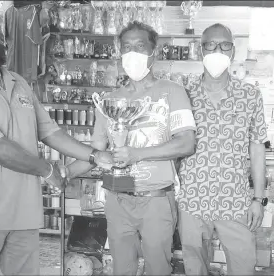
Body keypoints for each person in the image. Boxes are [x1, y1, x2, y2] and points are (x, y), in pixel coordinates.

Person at [0, 10, 112, 276]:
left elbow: (50, 132)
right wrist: (49, 171)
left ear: (6, 40)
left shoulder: (17, 82)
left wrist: (94, 156)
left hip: (23, 212)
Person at [65, 21, 196, 276]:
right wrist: (63, 173)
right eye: (127, 47)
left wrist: (137, 154)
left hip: (156, 198)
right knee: (121, 268)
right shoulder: (109, 101)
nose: (132, 52)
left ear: (153, 52)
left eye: (140, 46)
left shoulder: (173, 92)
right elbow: (96, 152)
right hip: (118, 197)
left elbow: (186, 143)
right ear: (120, 53)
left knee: (158, 268)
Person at [177, 23, 268, 276]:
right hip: (192, 200)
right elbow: (173, 145)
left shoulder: (250, 95)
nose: (218, 50)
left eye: (224, 45)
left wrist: (258, 199)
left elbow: (257, 146)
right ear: (199, 50)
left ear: (233, 51)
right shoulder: (182, 93)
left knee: (243, 267)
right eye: (210, 44)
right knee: (195, 269)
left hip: (236, 202)